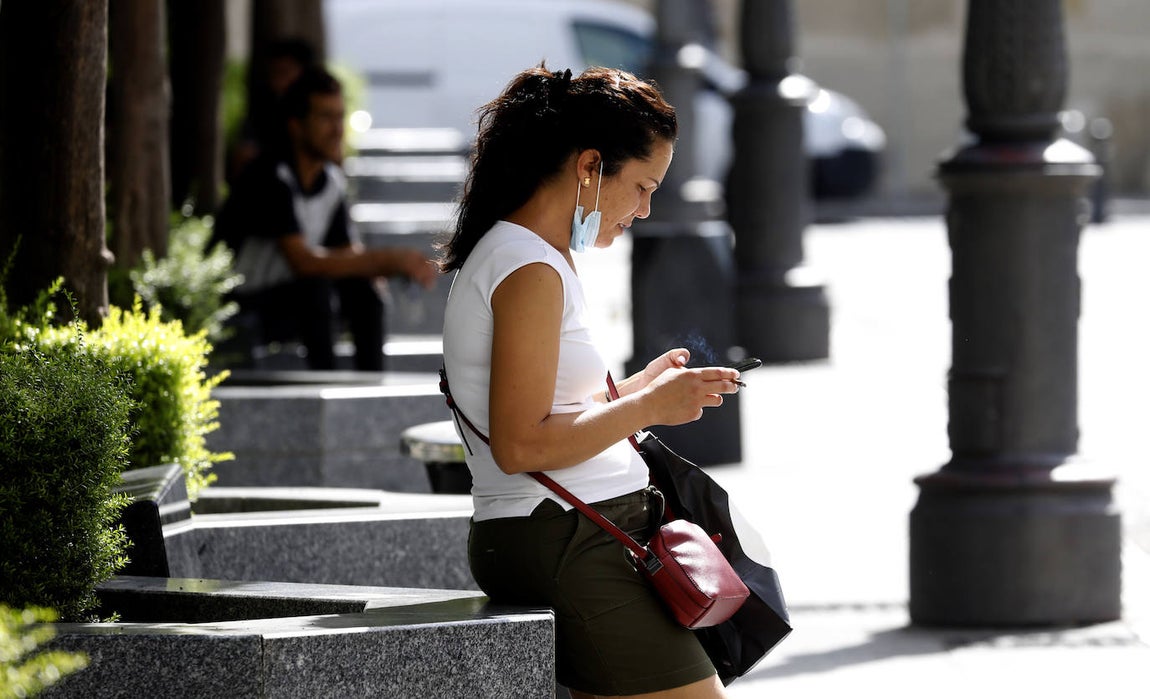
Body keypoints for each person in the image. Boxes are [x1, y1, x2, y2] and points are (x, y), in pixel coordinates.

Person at [439, 65, 741, 698]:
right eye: (641, 187)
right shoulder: (527, 267)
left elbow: (549, 415)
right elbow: (521, 446)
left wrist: (635, 395)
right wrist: (647, 407)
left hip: (576, 536)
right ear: (589, 167)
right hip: (570, 542)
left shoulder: (534, 257)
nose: (644, 209)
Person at [215, 66, 436, 371]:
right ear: (296, 125)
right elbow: (303, 262)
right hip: (242, 307)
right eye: (325, 117)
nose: (337, 129)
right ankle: (326, 384)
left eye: (339, 117)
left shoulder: (331, 181)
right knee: (314, 288)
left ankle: (368, 386)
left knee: (364, 290)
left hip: (295, 298)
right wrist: (388, 259)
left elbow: (346, 254)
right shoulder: (268, 176)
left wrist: (379, 268)